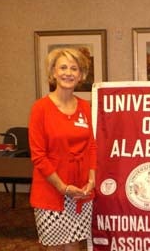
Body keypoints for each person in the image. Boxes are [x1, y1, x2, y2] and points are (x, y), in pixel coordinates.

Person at [28, 48, 97, 250]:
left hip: (80, 191)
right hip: (51, 191)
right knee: (55, 247)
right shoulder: (40, 108)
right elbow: (38, 156)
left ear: (81, 75)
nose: (68, 73)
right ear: (53, 73)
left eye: (74, 68)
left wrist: (92, 179)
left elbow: (92, 146)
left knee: (75, 245)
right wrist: (63, 188)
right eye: (63, 67)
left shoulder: (85, 107)